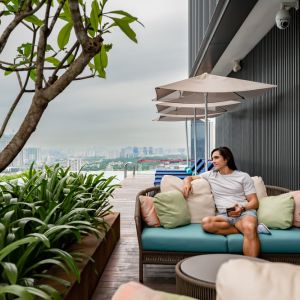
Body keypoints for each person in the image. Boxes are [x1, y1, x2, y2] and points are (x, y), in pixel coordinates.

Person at [182, 146, 269, 257]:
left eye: (216, 158)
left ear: (226, 159)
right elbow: (190, 177)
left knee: (249, 227)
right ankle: (253, 229)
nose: (213, 161)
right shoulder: (210, 175)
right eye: (212, 158)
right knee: (206, 223)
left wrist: (242, 208)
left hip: (244, 212)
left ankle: (250, 268)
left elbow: (254, 202)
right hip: (225, 214)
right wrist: (186, 182)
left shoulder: (243, 176)